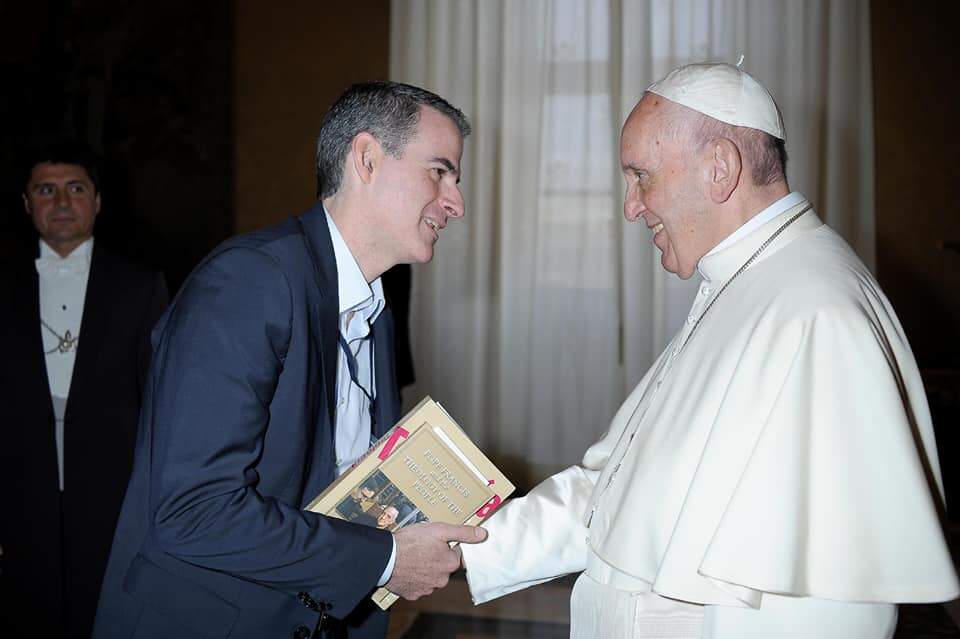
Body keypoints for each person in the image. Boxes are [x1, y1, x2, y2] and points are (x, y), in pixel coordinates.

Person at [460, 62, 960, 638]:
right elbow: (617, 490)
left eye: (641, 176)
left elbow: (825, 603)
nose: (630, 206)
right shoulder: (750, 280)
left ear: (720, 167)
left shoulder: (816, 312)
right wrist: (465, 549)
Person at [93, 82, 486, 639]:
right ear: (367, 159)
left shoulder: (375, 308)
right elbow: (193, 511)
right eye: (440, 172)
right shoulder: (249, 282)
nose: (456, 203)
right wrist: (386, 560)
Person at [0, 140, 169, 638]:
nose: (61, 202)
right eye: (45, 190)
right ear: (26, 203)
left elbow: (160, 404)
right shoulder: (2, 288)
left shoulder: (141, 286)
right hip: (20, 496)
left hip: (113, 498)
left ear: (97, 201)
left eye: (75, 188)